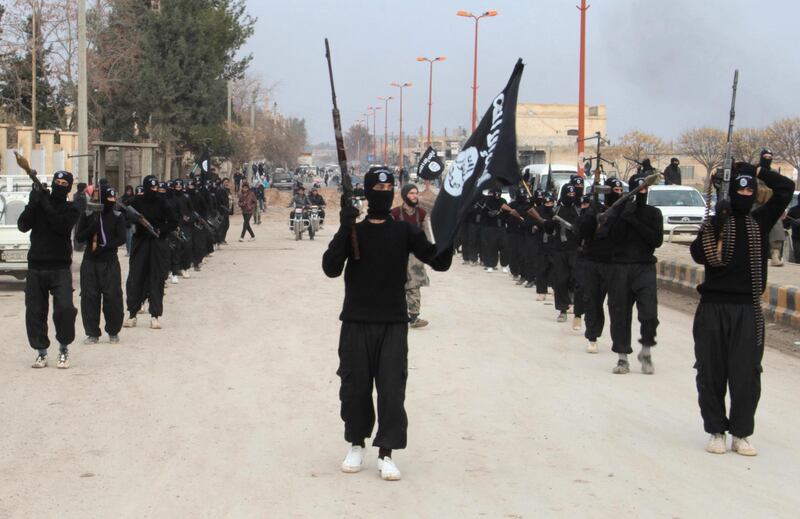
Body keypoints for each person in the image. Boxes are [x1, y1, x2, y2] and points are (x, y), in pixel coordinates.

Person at [322, 167, 452, 481]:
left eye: (387, 187)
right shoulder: (355, 231)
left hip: (393, 322)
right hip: (355, 321)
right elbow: (330, 268)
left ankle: (386, 453)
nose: (382, 191)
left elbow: (439, 260)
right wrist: (344, 227)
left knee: (392, 390)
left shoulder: (404, 231)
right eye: (376, 187)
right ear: (367, 192)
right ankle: (356, 443)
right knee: (354, 388)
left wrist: (453, 230)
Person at [690, 161, 793, 456]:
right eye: (741, 188)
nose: (746, 193)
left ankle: (741, 433)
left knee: (746, 373)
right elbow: (699, 255)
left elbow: (785, 189)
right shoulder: (715, 222)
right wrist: (715, 225)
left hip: (747, 309)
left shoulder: (759, 221)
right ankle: (716, 430)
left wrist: (760, 170)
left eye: (750, 188)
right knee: (710, 371)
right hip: (713, 308)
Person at [18, 170, 80, 369]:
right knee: (35, 311)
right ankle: (41, 352)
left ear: (69, 187)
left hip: (60, 267)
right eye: (57, 181)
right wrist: (33, 201)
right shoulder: (39, 203)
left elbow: (60, 226)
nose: (59, 185)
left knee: (65, 309)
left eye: (64, 182)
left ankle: (63, 349)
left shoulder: (72, 208)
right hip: (36, 266)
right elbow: (23, 225)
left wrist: (44, 203)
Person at [607, 173, 663, 375]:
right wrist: (623, 216)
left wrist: (634, 220)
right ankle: (622, 358)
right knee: (620, 313)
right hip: (620, 268)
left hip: (644, 267)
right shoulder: (618, 212)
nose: (642, 193)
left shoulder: (653, 213)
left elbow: (655, 241)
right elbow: (612, 239)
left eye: (645, 190)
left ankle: (646, 351)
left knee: (649, 314)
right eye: (638, 190)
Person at [123, 175, 177, 330]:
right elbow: (125, 216)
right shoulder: (136, 202)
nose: (153, 191)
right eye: (150, 188)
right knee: (135, 277)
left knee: (157, 278)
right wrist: (134, 223)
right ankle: (132, 314)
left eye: (155, 188)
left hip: (157, 243)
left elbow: (173, 221)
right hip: (140, 242)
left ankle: (155, 315)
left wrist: (161, 230)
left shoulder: (162, 202)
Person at [575, 178, 622, 353]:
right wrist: (592, 214)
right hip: (593, 261)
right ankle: (592, 336)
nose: (616, 192)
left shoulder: (623, 211)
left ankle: (619, 341)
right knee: (592, 300)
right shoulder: (596, 210)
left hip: (615, 263)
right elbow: (582, 232)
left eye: (619, 189)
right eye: (613, 189)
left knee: (616, 304)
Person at [75, 186, 126, 344]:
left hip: (109, 262)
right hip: (90, 262)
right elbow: (79, 237)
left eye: (113, 199)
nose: (111, 201)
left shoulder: (118, 216)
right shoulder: (88, 214)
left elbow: (122, 238)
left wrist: (107, 246)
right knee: (89, 297)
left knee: (113, 297)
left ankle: (113, 331)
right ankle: (92, 333)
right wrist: (92, 228)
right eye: (108, 198)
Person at [390, 184, 432, 328]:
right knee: (395, 286)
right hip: (397, 256)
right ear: (405, 196)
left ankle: (414, 317)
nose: (415, 196)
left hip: (415, 257)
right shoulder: (394, 214)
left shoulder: (422, 213)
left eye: (416, 193)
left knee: (414, 287)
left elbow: (428, 236)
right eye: (412, 193)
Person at [551, 184, 581, 324]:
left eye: (573, 195)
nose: (571, 197)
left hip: (575, 249)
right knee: (560, 279)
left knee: (575, 278)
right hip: (559, 249)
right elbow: (549, 229)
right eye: (568, 195)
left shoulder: (578, 209)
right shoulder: (556, 209)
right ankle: (562, 310)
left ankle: (573, 298)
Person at [783, 193, 800, 263]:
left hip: (796, 237)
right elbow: (786, 224)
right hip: (797, 237)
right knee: (798, 257)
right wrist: (794, 223)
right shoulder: (793, 210)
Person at [72, 182, 88, 252]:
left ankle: (78, 246)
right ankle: (79, 246)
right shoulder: (80, 197)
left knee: (78, 230)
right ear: (83, 188)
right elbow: (82, 207)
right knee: (80, 230)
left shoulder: (77, 195)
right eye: (85, 187)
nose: (86, 189)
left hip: (78, 215)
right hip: (80, 215)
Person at [121, 185, 135, 256]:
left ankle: (132, 251)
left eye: (130, 191)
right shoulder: (123, 198)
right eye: (127, 191)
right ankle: (128, 251)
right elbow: (120, 209)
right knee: (128, 237)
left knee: (132, 236)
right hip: (125, 220)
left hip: (132, 220)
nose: (129, 192)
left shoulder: (134, 199)